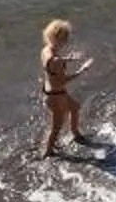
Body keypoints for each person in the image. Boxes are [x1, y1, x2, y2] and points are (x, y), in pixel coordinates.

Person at [40, 18, 94, 157]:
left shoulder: (46, 50)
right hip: (57, 96)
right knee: (56, 127)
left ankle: (75, 134)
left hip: (52, 92)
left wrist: (68, 59)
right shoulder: (56, 61)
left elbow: (54, 62)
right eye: (65, 38)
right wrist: (82, 70)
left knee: (75, 107)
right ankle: (48, 152)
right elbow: (63, 80)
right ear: (59, 38)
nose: (67, 41)